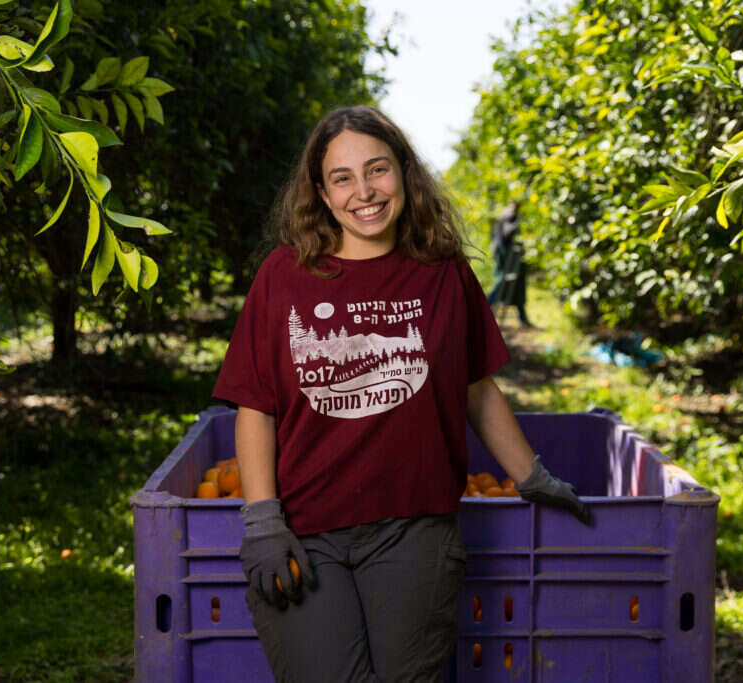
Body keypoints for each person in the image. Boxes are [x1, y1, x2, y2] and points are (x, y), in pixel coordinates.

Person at [211, 105, 589, 682]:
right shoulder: (284, 275)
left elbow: (477, 391)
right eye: (343, 177)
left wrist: (531, 476)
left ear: (405, 174)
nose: (364, 191)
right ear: (321, 191)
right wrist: (262, 520)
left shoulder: (442, 272)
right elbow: (256, 406)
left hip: (415, 528)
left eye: (377, 170)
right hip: (307, 530)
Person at [486, 200, 533, 327]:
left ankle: (523, 319)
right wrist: (517, 225)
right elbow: (507, 233)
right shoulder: (509, 214)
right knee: (501, 284)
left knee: (515, 286)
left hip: (506, 255)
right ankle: (482, 308)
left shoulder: (509, 214)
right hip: (504, 255)